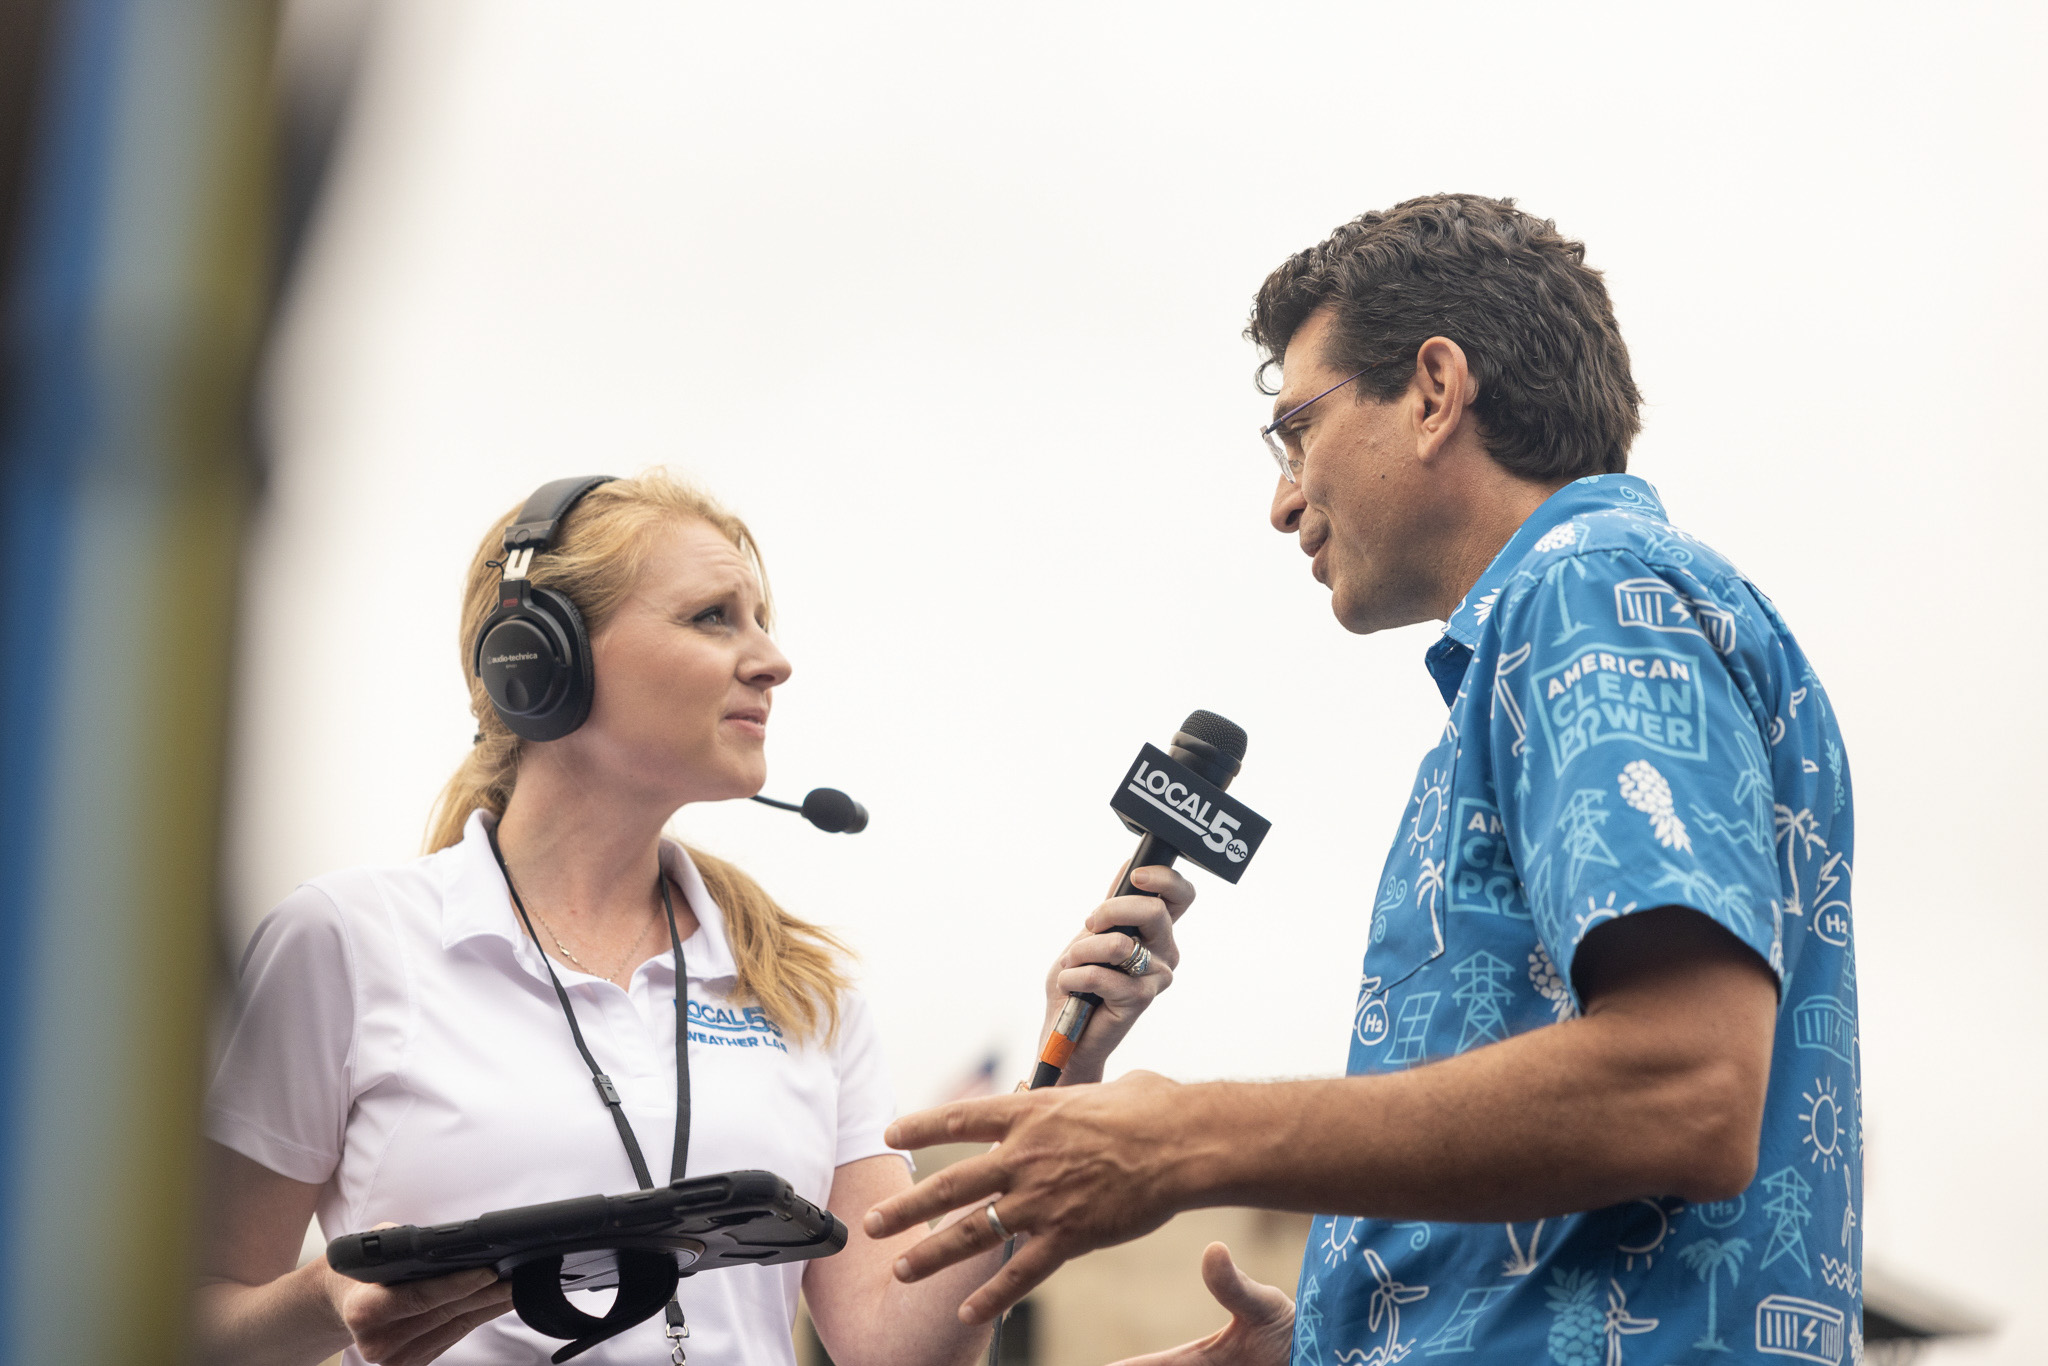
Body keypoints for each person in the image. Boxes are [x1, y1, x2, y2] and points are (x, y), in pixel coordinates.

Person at [865, 195, 1863, 1365]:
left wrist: (1183, 1137)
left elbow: (1686, 1086)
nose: (1282, 499)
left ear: (1434, 392)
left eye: (1295, 431)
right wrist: (1338, 1341)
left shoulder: (1585, 594)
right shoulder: (1576, 620)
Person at [196, 470, 1197, 1366]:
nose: (772, 660)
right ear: (539, 662)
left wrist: (1060, 1082)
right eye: (714, 616)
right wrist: (325, 1301)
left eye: (758, 618)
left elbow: (898, 1347)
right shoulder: (345, 943)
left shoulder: (802, 985)